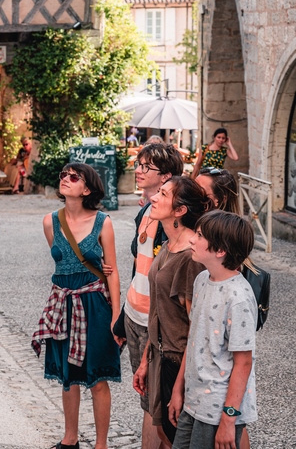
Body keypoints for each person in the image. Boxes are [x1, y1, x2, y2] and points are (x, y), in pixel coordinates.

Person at [31, 163, 121, 449]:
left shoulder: (102, 221)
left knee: (96, 378)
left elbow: (113, 270)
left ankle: (101, 444)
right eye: (63, 176)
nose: (65, 180)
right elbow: (61, 263)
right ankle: (70, 440)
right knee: (67, 378)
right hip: (62, 304)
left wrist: (116, 314)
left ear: (87, 189)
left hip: (94, 304)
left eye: (74, 178)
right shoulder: (50, 221)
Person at [132, 177, 213, 447]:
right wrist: (146, 360)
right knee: (166, 436)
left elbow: (196, 330)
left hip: (180, 365)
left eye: (163, 195)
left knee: (178, 439)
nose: (154, 198)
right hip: (160, 357)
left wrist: (178, 387)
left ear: (180, 211)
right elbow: (157, 311)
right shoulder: (168, 245)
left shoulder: (191, 257)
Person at [169, 211, 257, 449]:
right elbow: (194, 339)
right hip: (193, 401)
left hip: (218, 409)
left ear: (220, 251)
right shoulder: (201, 280)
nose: (191, 240)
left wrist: (229, 419)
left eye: (199, 235)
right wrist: (178, 390)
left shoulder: (238, 297)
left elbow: (243, 363)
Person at [120, 143, 184, 449]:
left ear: (167, 176)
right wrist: (123, 317)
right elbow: (139, 266)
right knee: (146, 398)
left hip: (153, 322)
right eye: (138, 164)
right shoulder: (146, 210)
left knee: (156, 403)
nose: (138, 170)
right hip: (134, 314)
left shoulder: (172, 221)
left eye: (147, 167)